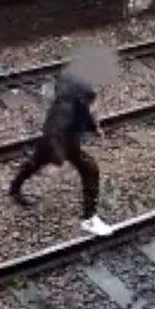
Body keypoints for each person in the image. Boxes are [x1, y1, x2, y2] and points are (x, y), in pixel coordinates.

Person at [9, 72, 114, 236]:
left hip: (55, 134)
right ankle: (89, 219)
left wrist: (94, 127)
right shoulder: (74, 102)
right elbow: (65, 123)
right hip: (63, 139)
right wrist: (58, 156)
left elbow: (84, 112)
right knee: (90, 170)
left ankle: (14, 188)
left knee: (37, 160)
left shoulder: (71, 84)